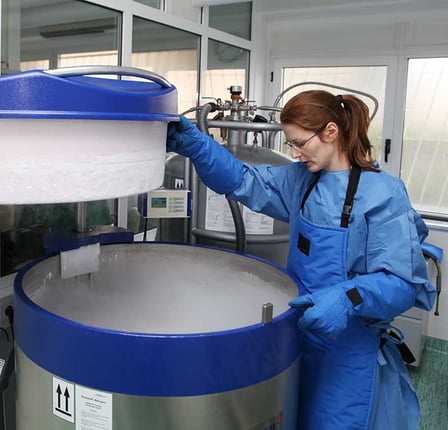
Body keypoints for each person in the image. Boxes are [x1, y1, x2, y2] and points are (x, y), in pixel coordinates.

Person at [166, 90, 436, 430]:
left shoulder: (384, 194)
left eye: (300, 143)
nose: (295, 153)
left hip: (348, 351)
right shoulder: (301, 181)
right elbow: (243, 180)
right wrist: (199, 147)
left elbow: (402, 283)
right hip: (297, 337)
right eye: (290, 144)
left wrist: (347, 297)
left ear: (331, 132)